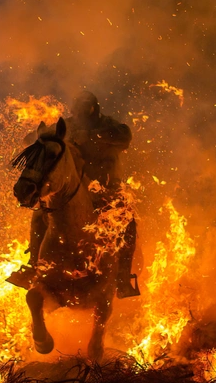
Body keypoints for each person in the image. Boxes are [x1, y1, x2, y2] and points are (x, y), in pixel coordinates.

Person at [9, 91, 140, 298]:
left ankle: (122, 278)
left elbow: (125, 135)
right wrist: (39, 139)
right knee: (39, 216)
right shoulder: (67, 127)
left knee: (127, 220)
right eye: (77, 108)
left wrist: (92, 136)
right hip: (73, 186)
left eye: (83, 108)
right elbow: (40, 139)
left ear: (93, 109)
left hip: (105, 186)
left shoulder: (109, 125)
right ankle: (34, 266)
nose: (79, 112)